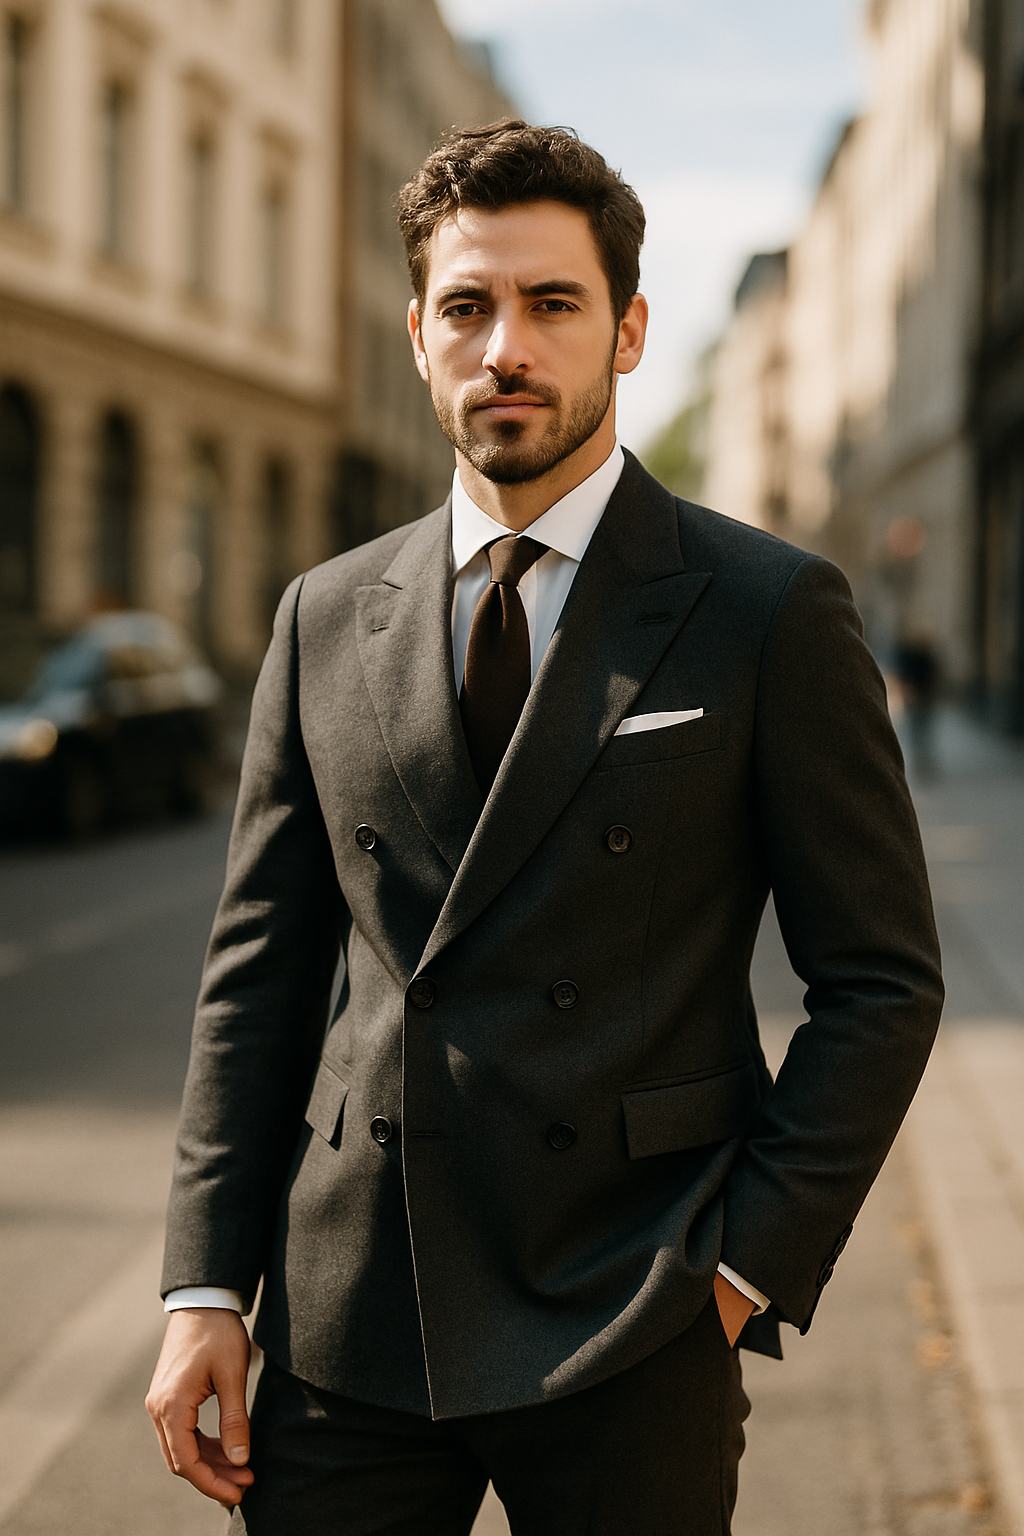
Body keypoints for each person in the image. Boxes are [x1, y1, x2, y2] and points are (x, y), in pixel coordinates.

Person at [146, 121, 943, 1534]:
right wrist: (206, 1283)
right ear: (418, 335)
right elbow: (258, 977)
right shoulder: (323, 614)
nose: (505, 347)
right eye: (467, 307)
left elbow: (880, 979)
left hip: (632, 1303)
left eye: (553, 303)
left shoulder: (766, 609)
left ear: (627, 332)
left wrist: (742, 1268)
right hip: (351, 1306)